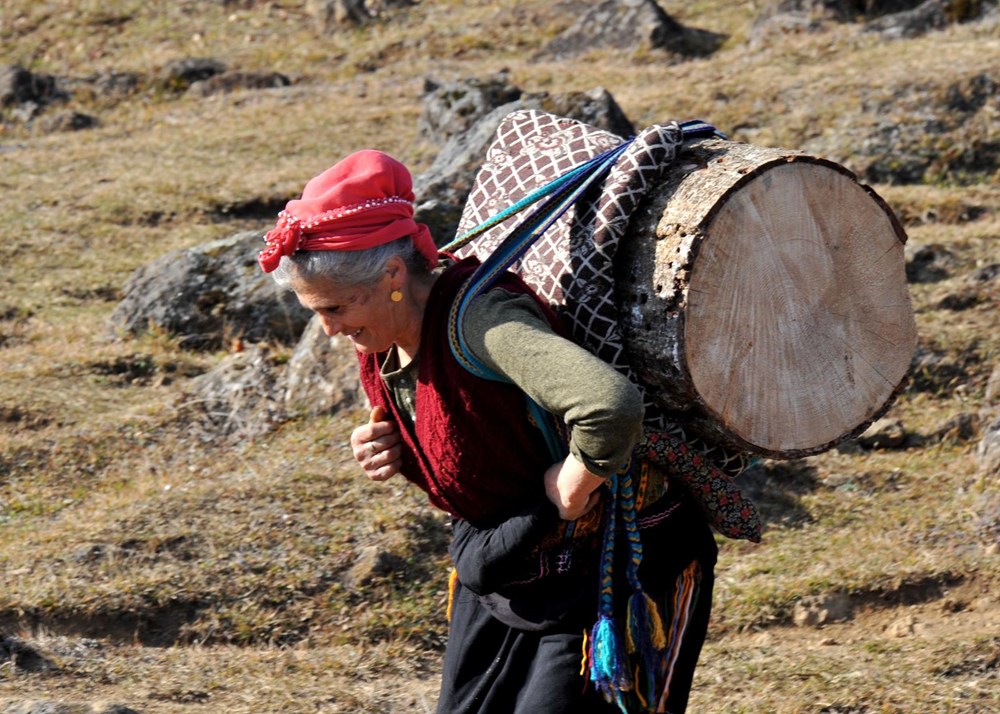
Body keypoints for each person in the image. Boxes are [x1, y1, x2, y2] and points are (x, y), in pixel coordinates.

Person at [259, 149, 727, 713]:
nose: (328, 328)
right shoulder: (383, 339)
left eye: (334, 307)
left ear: (392, 275)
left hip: (603, 572)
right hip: (510, 572)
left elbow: (610, 406)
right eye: (317, 311)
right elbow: (476, 437)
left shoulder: (483, 323)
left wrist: (572, 487)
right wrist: (401, 446)